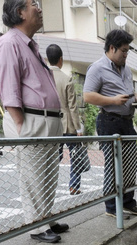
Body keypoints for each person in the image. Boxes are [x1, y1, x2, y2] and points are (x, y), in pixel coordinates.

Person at [0, 0, 66, 244]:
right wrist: (20, 124)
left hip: (45, 120)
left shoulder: (29, 44)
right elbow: (8, 89)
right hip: (32, 120)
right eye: (34, 4)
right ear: (20, 12)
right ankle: (36, 226)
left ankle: (45, 217)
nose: (40, 8)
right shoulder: (9, 43)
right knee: (33, 176)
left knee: (47, 175)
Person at [83, 29, 137, 218]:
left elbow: (128, 93)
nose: (126, 55)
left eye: (127, 51)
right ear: (112, 48)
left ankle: (127, 202)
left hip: (126, 121)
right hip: (108, 120)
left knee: (131, 164)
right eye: (124, 51)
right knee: (113, 165)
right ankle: (111, 207)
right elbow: (87, 96)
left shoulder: (127, 69)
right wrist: (113, 100)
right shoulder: (97, 68)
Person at [46, 44, 84, 196]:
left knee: (55, 156)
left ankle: (48, 184)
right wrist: (79, 128)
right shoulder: (66, 79)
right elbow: (72, 107)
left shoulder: (44, 78)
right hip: (67, 125)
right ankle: (74, 186)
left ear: (47, 59)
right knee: (75, 155)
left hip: (50, 124)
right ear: (61, 59)